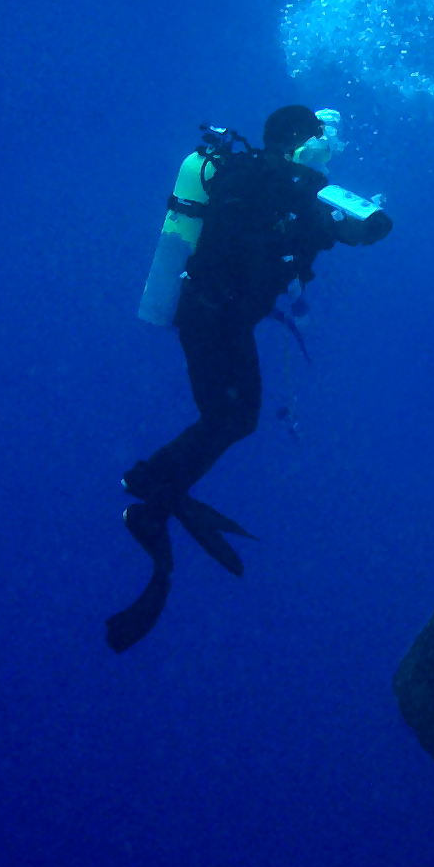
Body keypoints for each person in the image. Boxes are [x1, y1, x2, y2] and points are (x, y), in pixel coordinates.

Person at [109, 105, 394, 652]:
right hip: (216, 320)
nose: (328, 150)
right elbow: (372, 228)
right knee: (235, 418)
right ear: (299, 142)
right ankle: (151, 487)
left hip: (206, 316)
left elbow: (343, 230)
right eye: (321, 140)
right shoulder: (287, 180)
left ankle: (156, 491)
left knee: (230, 418)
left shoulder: (263, 178)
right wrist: (353, 205)